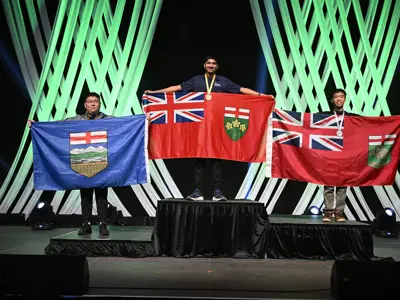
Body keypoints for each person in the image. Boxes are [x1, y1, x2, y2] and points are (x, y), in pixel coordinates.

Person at [145, 56, 273, 201]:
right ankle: (197, 192)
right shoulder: (196, 80)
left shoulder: (223, 81)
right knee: (199, 161)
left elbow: (242, 90)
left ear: (216, 66)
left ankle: (217, 192)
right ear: (204, 65)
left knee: (217, 162)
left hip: (217, 128)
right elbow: (177, 88)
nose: (211, 65)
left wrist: (262, 95)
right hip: (199, 128)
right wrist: (156, 93)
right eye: (208, 63)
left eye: (213, 64)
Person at [28, 92, 112, 235]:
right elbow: (58, 126)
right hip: (82, 162)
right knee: (85, 194)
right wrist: (38, 126)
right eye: (89, 101)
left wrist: (142, 121)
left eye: (96, 101)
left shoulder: (108, 119)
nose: (93, 103)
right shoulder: (76, 120)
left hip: (101, 161)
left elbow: (126, 125)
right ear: (85, 105)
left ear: (99, 104)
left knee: (101, 194)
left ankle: (102, 223)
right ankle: (86, 223)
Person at [319, 88, 359, 222]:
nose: (338, 99)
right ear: (332, 100)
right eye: (336, 97)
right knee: (329, 184)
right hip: (329, 154)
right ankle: (328, 212)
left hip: (345, 155)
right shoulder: (325, 116)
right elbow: (306, 121)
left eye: (341, 97)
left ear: (345, 99)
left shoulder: (352, 117)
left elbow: (369, 124)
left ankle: (340, 212)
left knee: (343, 184)